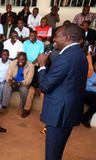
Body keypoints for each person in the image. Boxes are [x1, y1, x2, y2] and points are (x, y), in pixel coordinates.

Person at [37, 23, 88, 160]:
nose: (54, 39)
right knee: (57, 152)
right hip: (68, 112)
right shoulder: (80, 54)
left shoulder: (64, 58)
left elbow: (45, 86)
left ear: (68, 37)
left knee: (52, 155)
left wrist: (41, 66)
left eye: (56, 36)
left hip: (59, 114)